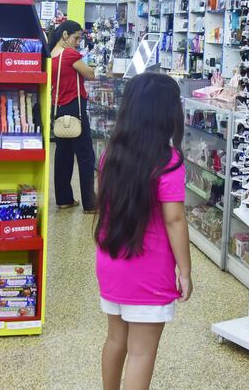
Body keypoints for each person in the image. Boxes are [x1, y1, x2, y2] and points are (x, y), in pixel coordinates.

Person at [94, 73, 192, 390]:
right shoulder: (169, 162)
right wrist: (186, 271)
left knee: (115, 340)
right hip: (149, 271)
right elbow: (175, 220)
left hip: (111, 262)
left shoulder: (110, 155)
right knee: (141, 353)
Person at [49, 20, 97, 213]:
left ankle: (64, 199)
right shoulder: (69, 54)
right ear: (65, 35)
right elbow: (91, 74)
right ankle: (90, 204)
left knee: (63, 154)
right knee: (86, 155)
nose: (78, 42)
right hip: (74, 108)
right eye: (76, 37)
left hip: (58, 108)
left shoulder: (51, 53)